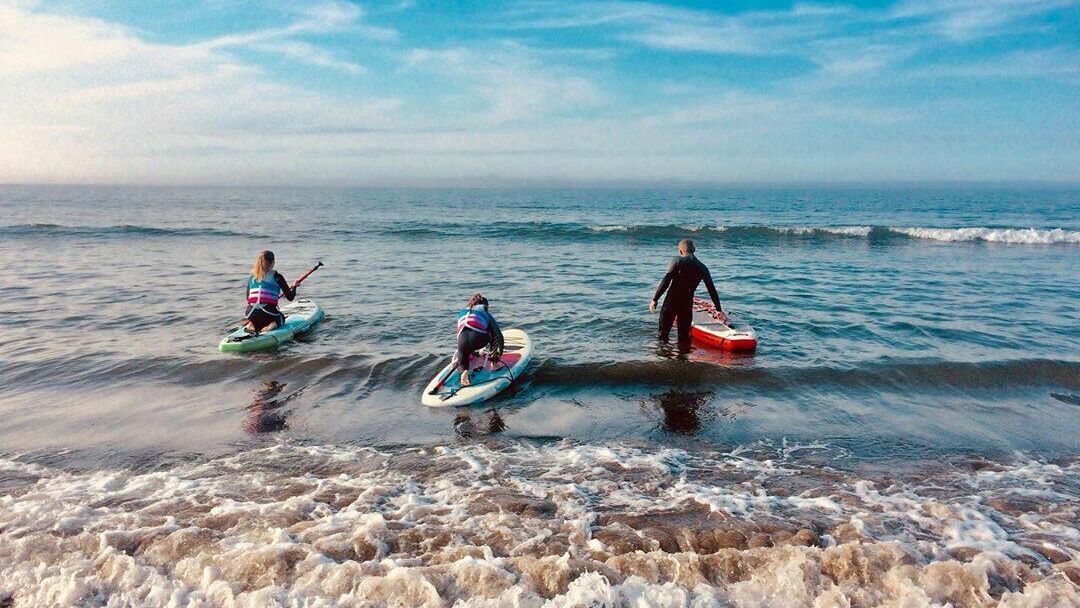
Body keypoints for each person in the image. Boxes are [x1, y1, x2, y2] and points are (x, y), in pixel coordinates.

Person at [650, 238, 724, 345]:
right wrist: (718, 310)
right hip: (687, 304)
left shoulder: (677, 260)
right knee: (683, 338)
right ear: (694, 249)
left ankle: (664, 358)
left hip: (671, 302)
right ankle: (683, 359)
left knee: (663, 336)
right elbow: (711, 289)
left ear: (680, 251)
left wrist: (655, 299)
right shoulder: (702, 267)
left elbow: (666, 281)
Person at [455, 293, 504, 386]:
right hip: (479, 339)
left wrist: (469, 352)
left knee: (463, 352)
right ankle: (494, 364)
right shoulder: (484, 312)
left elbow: (458, 334)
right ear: (485, 306)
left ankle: (464, 372)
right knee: (493, 333)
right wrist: (498, 355)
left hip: (462, 342)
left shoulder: (462, 312)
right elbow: (499, 336)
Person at [243, 250, 296, 334]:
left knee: (258, 316)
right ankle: (273, 324)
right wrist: (294, 287)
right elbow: (290, 297)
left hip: (250, 313)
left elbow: (248, 298)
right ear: (273, 262)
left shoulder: (252, 277)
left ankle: (252, 324)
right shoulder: (277, 277)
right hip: (268, 313)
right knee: (281, 317)